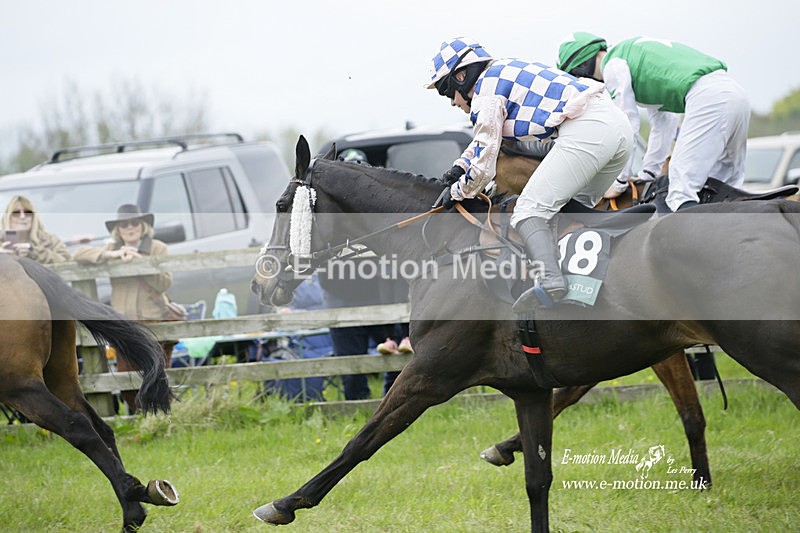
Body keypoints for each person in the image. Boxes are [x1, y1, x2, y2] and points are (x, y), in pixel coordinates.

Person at [426, 37, 633, 311]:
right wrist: (458, 169)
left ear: (462, 77)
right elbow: (484, 142)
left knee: (528, 211)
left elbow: (486, 164)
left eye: (447, 91)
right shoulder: (499, 74)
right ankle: (588, 288)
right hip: (619, 129)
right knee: (570, 214)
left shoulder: (484, 94)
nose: (452, 102)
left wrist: (457, 191)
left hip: (590, 130)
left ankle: (550, 282)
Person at [557, 32, 750, 212]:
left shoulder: (612, 66)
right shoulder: (632, 58)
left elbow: (626, 125)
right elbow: (665, 123)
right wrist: (648, 174)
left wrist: (619, 181)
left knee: (680, 191)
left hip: (708, 98)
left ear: (580, 68)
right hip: (735, 93)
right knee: (720, 187)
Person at [73, 204, 175, 414]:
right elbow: (79, 254)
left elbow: (165, 283)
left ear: (143, 225)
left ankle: (162, 417)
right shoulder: (112, 249)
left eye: (135, 223)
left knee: (159, 373)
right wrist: (113, 255)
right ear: (117, 229)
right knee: (126, 374)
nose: (130, 228)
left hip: (154, 319)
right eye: (124, 224)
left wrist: (141, 263)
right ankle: (136, 416)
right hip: (125, 323)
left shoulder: (158, 248)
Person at [1, 195, 71, 263]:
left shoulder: (51, 240)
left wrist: (33, 253)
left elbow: (67, 262)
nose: (22, 216)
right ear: (8, 217)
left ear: (33, 217)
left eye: (28, 212)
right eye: (16, 213)